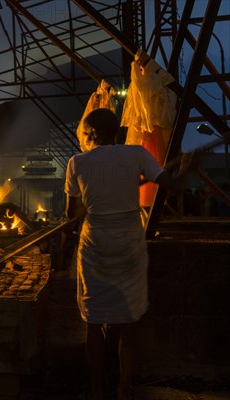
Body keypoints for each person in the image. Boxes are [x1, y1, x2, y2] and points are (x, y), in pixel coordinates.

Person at [64, 108, 193, 400]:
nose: (83, 137)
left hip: (96, 245)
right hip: (129, 245)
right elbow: (174, 187)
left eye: (85, 132)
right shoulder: (135, 155)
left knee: (94, 321)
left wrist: (88, 204)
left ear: (93, 134)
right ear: (116, 132)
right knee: (129, 320)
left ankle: (97, 390)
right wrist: (187, 167)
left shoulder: (77, 163)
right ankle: (124, 387)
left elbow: (71, 215)